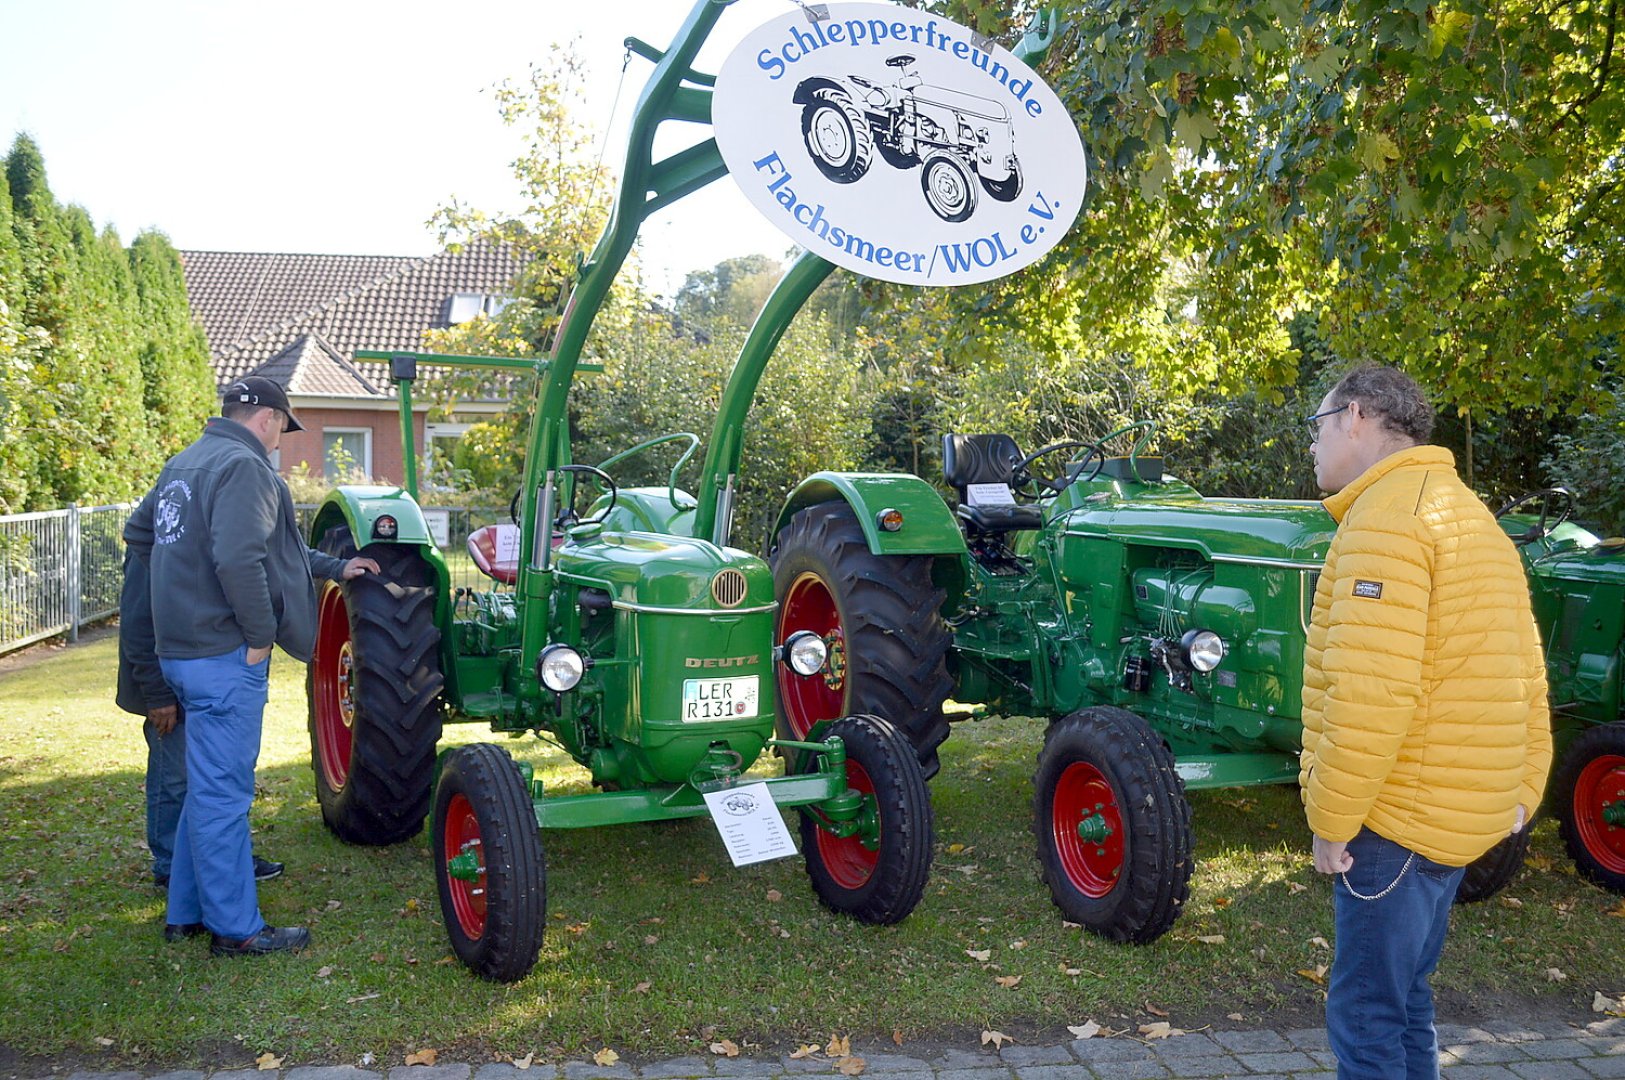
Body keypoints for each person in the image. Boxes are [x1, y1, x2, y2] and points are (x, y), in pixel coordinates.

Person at [1299, 364, 1552, 1079]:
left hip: (1394, 823)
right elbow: (1526, 671)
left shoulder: (1386, 522)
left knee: (1366, 1013)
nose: (1310, 448)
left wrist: (1331, 820)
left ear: (1354, 417)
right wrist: (1523, 789)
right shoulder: (1467, 514)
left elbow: (1367, 695)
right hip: (1456, 816)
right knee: (1406, 997)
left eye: (1314, 428)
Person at [124, 376, 378, 958]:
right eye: (280, 430)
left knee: (204, 790)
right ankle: (236, 929)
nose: (278, 443)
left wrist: (336, 567)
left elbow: (143, 536)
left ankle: (184, 913)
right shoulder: (244, 468)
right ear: (266, 419)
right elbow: (239, 558)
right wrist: (260, 637)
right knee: (224, 795)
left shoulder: (183, 465)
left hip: (182, 653)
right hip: (222, 656)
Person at [116, 546, 283, 889]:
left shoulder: (209, 528)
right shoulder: (151, 542)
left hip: (210, 677)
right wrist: (159, 696)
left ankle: (225, 859)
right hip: (168, 688)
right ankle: (170, 865)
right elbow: (137, 623)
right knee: (173, 778)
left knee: (220, 777)